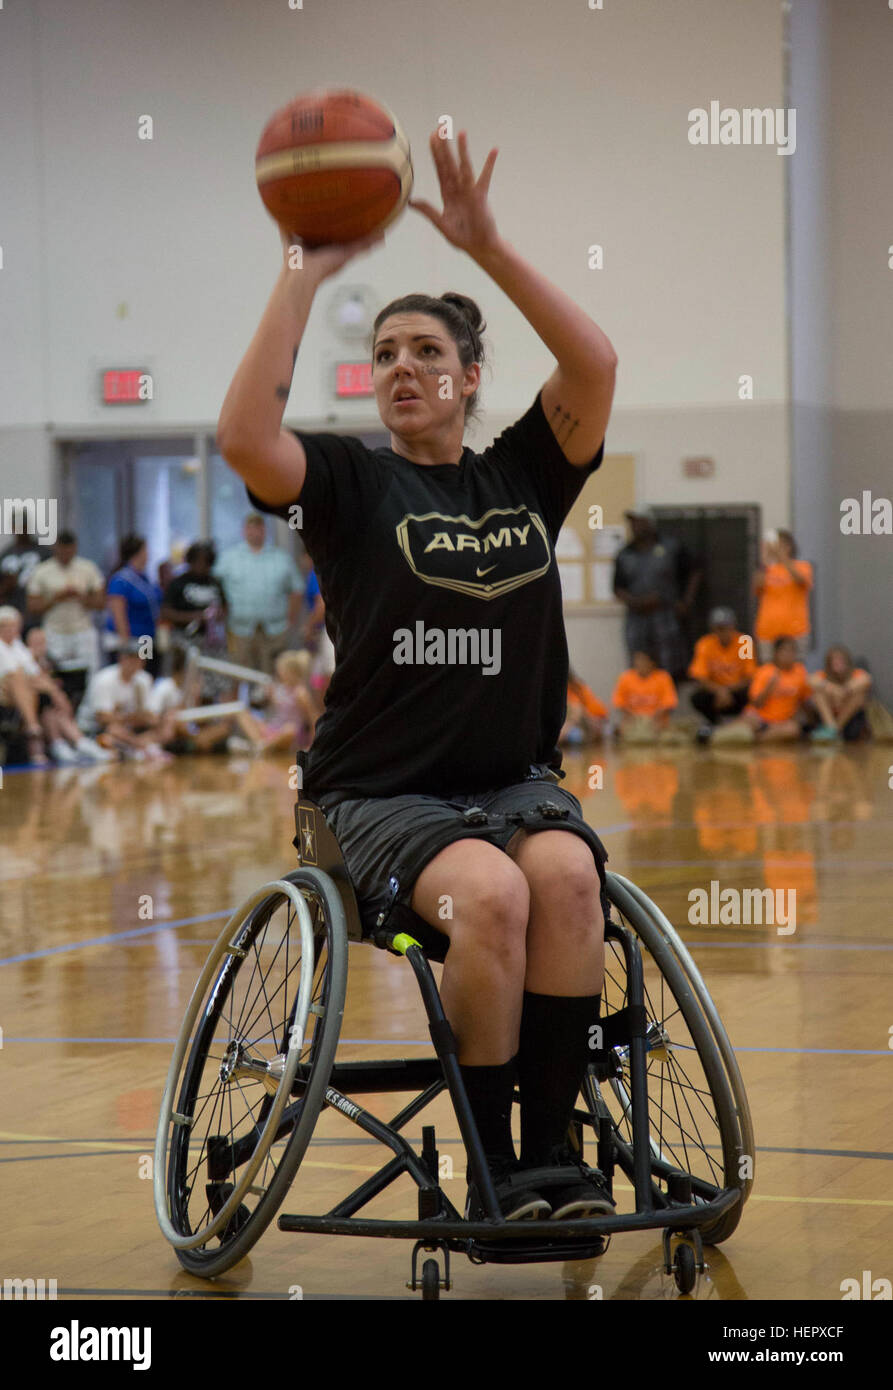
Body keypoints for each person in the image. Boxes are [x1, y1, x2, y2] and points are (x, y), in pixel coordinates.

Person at [217, 127, 618, 1223]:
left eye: (426, 352)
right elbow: (247, 436)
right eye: (385, 351)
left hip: (510, 780)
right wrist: (303, 266)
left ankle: (554, 1154)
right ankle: (488, 1167)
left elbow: (594, 365)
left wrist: (485, 245)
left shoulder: (523, 475)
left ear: (467, 379)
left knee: (568, 880)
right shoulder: (349, 484)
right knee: (489, 896)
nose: (401, 364)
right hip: (377, 794)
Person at [612, 506, 700, 682]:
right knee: (639, 659)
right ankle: (641, 700)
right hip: (637, 616)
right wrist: (635, 601)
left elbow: (694, 571)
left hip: (665, 613)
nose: (635, 526)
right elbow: (617, 587)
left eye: (639, 522)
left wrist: (686, 601)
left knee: (669, 659)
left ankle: (667, 699)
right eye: (632, 523)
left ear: (650, 523)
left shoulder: (671, 547)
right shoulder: (624, 553)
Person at [214, 515, 304, 674]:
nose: (255, 532)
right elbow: (214, 586)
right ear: (244, 530)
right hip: (239, 630)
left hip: (274, 630)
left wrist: (291, 619)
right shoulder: (229, 558)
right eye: (250, 528)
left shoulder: (281, 557)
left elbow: (296, 589)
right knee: (237, 675)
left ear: (264, 530)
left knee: (274, 676)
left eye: (259, 528)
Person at [25, 531, 105, 699]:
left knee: (91, 675)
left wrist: (80, 596)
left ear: (75, 548)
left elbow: (101, 603)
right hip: (54, 631)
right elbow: (32, 606)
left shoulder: (87, 568)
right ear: (56, 548)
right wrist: (56, 598)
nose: (66, 555)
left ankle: (88, 717)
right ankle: (60, 708)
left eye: (70, 551)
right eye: (63, 551)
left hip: (82, 628)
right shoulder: (42, 571)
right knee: (54, 674)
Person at [77, 640, 173, 760]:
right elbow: (103, 718)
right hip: (95, 729)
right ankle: (143, 747)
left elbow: (149, 715)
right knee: (114, 729)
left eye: (139, 659)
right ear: (122, 659)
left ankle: (138, 747)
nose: (135, 662)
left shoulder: (144, 679)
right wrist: (132, 717)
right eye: (131, 658)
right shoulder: (104, 679)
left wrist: (147, 718)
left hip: (129, 728)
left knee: (167, 722)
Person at [715, 636, 811, 743]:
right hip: (758, 718)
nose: (789, 654)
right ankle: (714, 735)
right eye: (785, 650)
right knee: (746, 724)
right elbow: (756, 703)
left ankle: (754, 740)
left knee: (793, 730)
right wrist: (768, 688)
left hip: (780, 723)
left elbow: (804, 699)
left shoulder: (800, 671)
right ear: (776, 653)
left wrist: (812, 723)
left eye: (792, 650)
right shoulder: (765, 671)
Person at [688, 606, 758, 734]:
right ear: (713, 629)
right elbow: (699, 677)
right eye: (719, 628)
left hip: (736, 691)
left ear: (733, 626)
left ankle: (742, 722)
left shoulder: (744, 642)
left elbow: (749, 677)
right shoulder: (705, 644)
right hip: (715, 692)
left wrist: (727, 690)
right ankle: (714, 722)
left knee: (751, 692)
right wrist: (719, 690)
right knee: (697, 697)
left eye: (726, 628)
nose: (723, 632)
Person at [104, 535, 163, 674]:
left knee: (146, 677)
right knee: (135, 676)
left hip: (145, 639)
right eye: (146, 550)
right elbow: (119, 614)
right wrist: (125, 648)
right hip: (131, 640)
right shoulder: (121, 580)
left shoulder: (145, 578)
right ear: (138, 553)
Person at [753, 529, 813, 663]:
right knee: (768, 669)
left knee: (795, 669)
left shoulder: (803, 566)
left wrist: (782, 557)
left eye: (779, 544)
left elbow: (801, 580)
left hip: (795, 630)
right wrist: (765, 559)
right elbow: (757, 586)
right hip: (768, 630)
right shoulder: (767, 569)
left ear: (788, 546)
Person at [806, 645, 872, 743]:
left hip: (850, 719)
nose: (837, 663)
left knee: (859, 696)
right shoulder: (823, 675)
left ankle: (834, 730)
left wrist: (844, 691)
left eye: (840, 660)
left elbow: (866, 679)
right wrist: (831, 688)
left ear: (847, 661)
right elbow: (811, 680)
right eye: (834, 660)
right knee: (818, 695)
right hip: (830, 716)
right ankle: (831, 727)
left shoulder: (856, 673)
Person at [611, 649, 678, 741]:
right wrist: (634, 717)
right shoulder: (626, 677)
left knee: (666, 737)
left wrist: (653, 717)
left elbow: (669, 703)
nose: (640, 664)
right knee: (627, 735)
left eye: (643, 660)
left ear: (652, 663)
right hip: (634, 720)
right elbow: (619, 703)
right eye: (637, 660)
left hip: (656, 720)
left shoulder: (663, 677)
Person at [560, 668, 607, 745]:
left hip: (589, 722)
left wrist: (564, 731)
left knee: (575, 736)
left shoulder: (575, 687)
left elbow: (577, 712)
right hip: (578, 724)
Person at [0, 531, 43, 617]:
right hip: (10, 609)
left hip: (35, 611)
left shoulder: (43, 552)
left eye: (24, 526)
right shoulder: (6, 553)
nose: (21, 531)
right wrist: (7, 585)